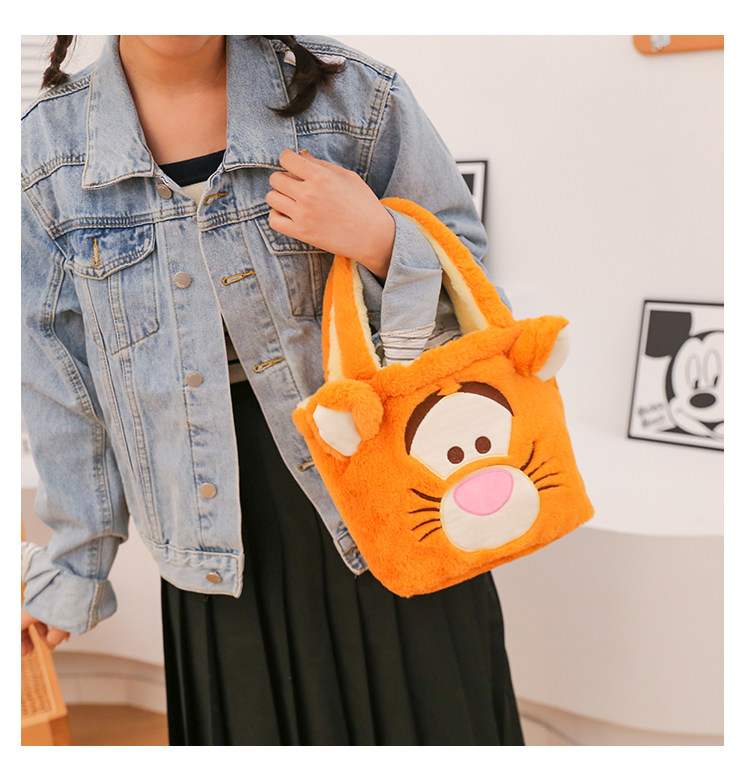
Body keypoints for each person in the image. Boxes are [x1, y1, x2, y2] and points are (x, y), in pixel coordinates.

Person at [21, 35, 524, 745]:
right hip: (213, 539)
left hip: (393, 499)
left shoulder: (355, 96)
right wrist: (74, 569)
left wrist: (381, 240)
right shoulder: (44, 153)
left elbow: (471, 285)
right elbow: (62, 382)